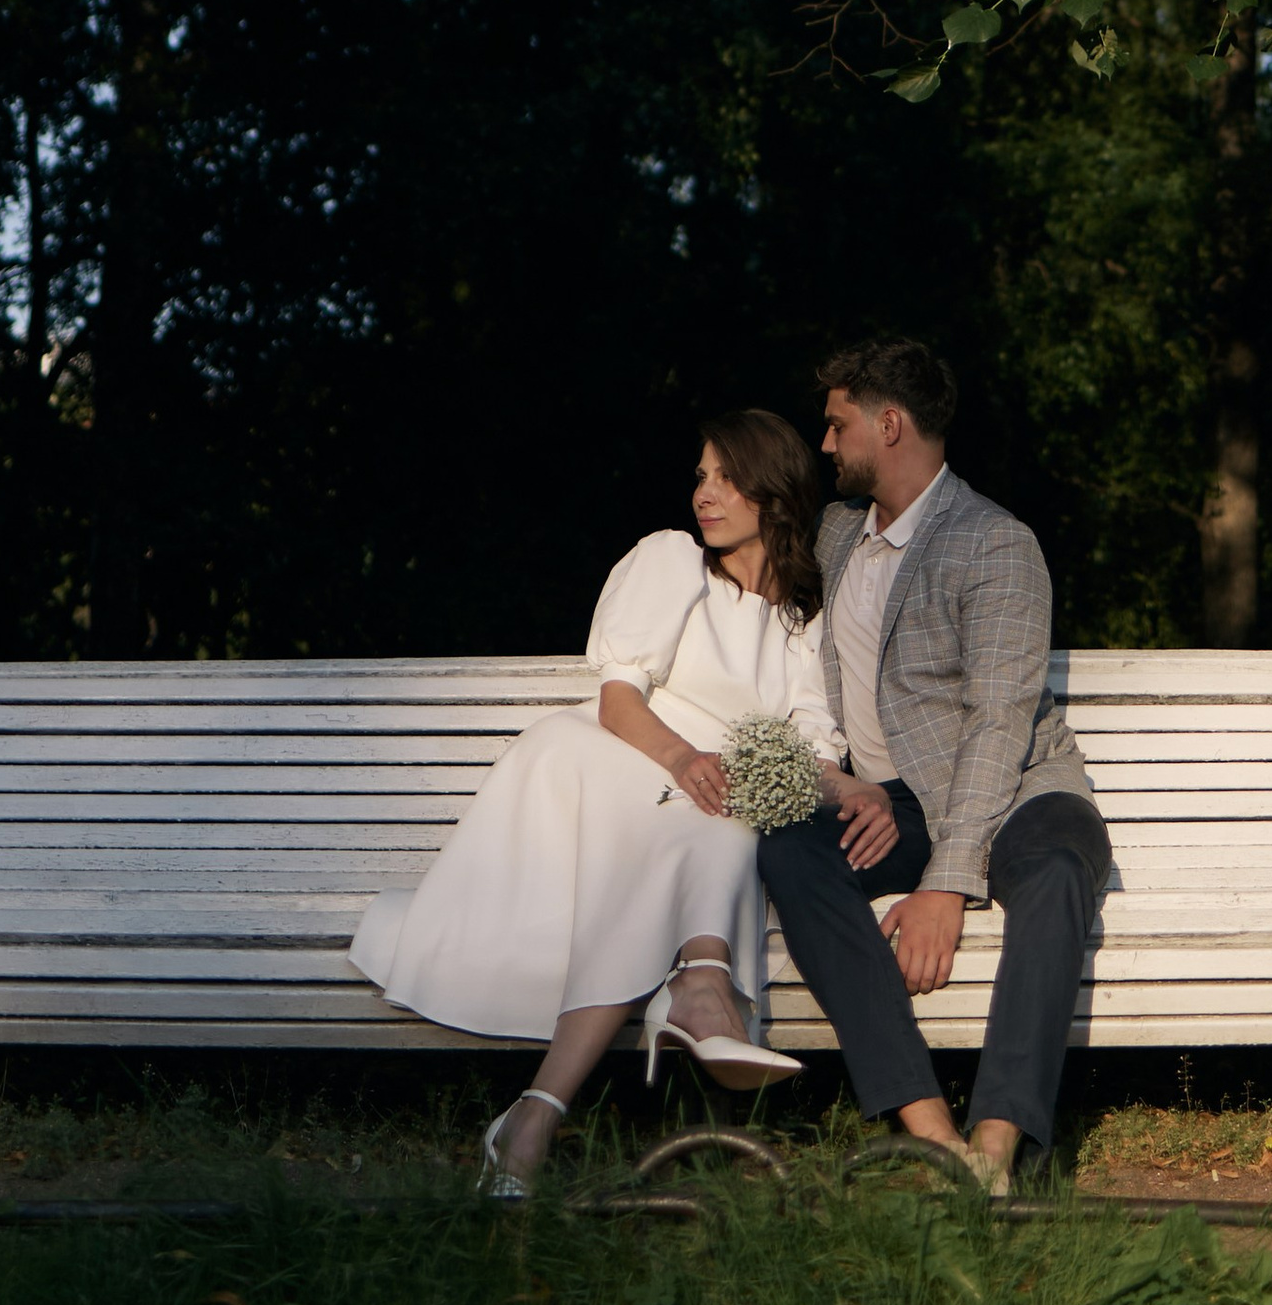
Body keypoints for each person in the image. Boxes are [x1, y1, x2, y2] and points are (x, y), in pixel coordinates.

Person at [348, 407, 896, 1196]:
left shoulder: (800, 622)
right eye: (700, 475)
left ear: (772, 492)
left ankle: (540, 1109)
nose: (704, 493)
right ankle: (700, 986)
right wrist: (685, 756)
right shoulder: (673, 561)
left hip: (696, 790)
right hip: (608, 755)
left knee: (722, 820)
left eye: (725, 476)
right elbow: (616, 700)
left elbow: (811, 747)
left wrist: (855, 789)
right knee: (702, 814)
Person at [757, 333, 1111, 1193]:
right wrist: (846, 782)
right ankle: (929, 1128)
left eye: (838, 425)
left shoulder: (996, 542)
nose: (827, 444)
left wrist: (944, 886)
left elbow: (998, 724)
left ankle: (997, 1148)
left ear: (889, 423)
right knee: (791, 849)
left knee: (1061, 870)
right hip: (902, 800)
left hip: (1025, 789)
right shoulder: (838, 534)